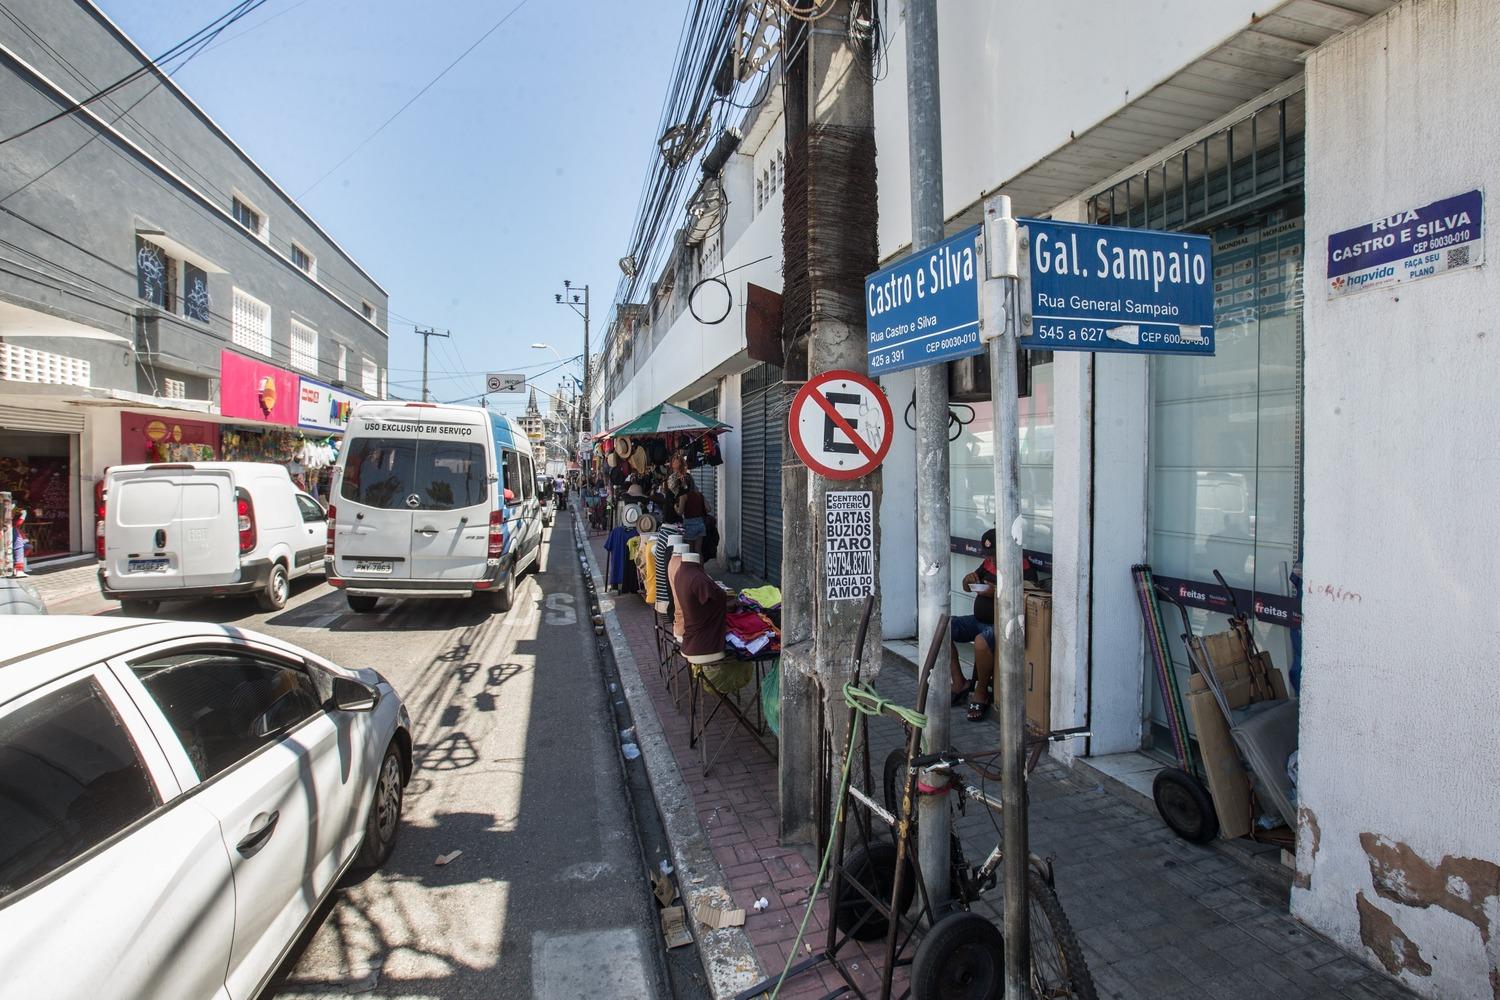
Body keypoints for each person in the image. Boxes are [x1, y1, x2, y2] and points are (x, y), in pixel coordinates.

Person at [949, 528, 998, 721]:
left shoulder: (1021, 566)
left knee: (981, 642)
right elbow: (968, 586)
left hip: (1000, 625)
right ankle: (959, 682)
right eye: (988, 555)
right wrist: (966, 580)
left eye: (994, 555)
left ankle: (981, 691)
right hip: (978, 620)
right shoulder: (987, 564)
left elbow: (1026, 599)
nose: (991, 559)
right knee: (941, 630)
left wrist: (996, 593)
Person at [678, 475, 708, 553]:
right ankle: (700, 565)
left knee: (690, 551)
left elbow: (680, 512)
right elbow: (709, 509)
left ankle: (693, 565)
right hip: (700, 523)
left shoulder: (683, 497)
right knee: (698, 550)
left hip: (689, 524)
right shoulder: (699, 494)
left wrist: (675, 507)